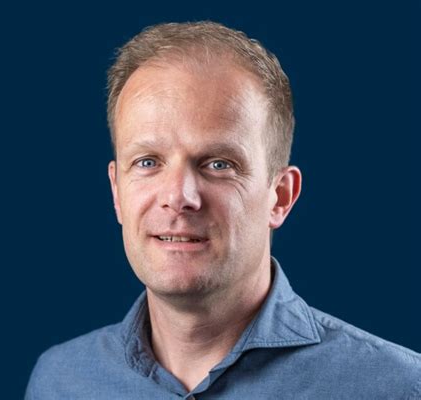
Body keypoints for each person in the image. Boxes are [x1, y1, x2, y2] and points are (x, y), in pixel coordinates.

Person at [25, 21, 420, 399]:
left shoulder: (395, 388)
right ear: (117, 191)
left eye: (218, 164)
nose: (179, 196)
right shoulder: (60, 382)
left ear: (280, 196)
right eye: (148, 162)